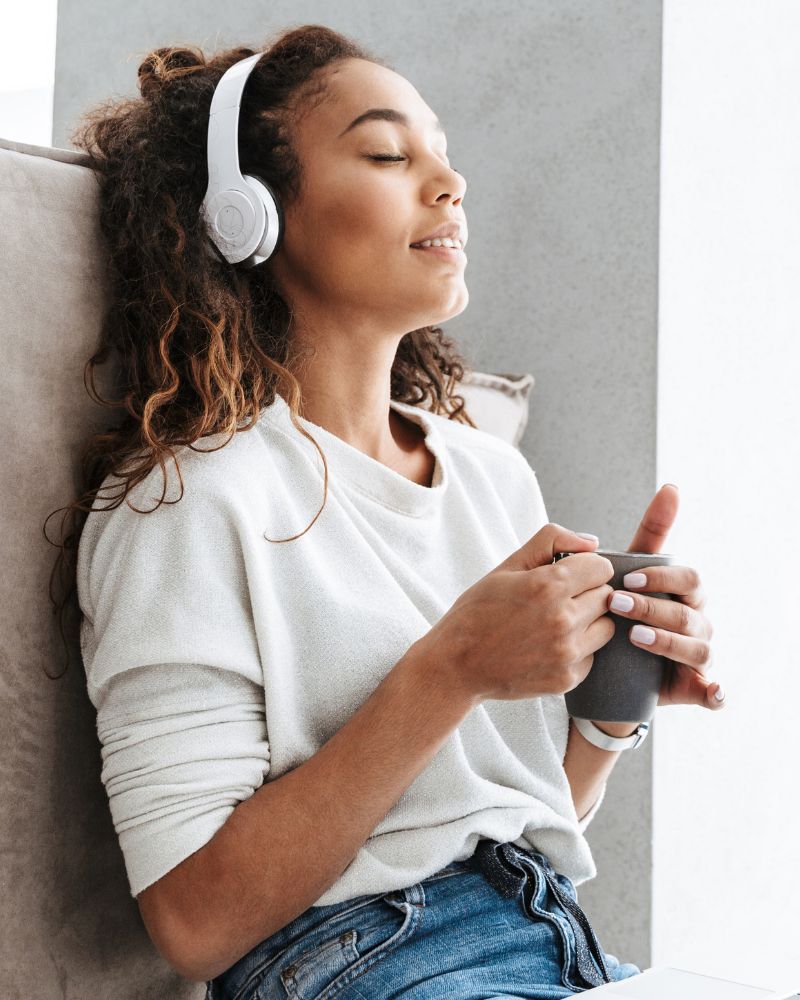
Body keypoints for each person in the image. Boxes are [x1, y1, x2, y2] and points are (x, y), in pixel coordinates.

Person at [62, 23, 723, 1000]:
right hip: (358, 966)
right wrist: (451, 668)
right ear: (248, 216)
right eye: (385, 152)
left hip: (551, 938)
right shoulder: (188, 504)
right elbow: (192, 923)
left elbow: (495, 822)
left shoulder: (489, 476)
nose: (448, 182)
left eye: (444, 152)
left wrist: (610, 704)